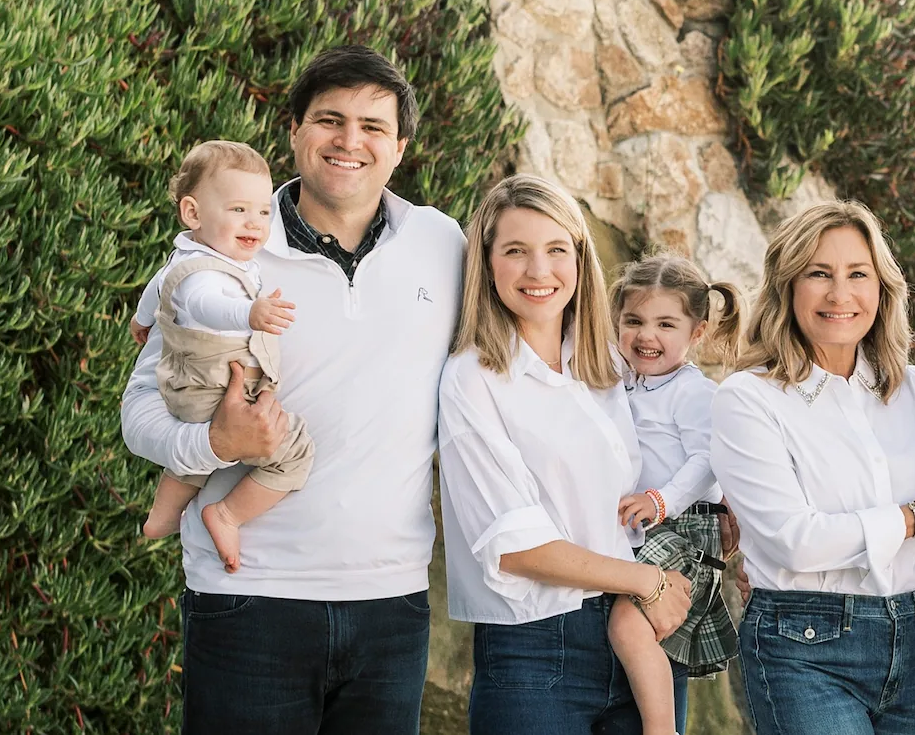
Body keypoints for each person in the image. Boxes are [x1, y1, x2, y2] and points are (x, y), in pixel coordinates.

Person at [120, 45, 464, 733]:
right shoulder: (230, 251)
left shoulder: (443, 245)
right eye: (329, 120)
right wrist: (213, 441)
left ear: (399, 147)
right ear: (295, 134)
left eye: (372, 126)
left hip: (391, 607)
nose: (349, 141)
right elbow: (139, 412)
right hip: (248, 598)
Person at [711, 200, 915, 735]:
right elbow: (793, 541)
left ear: (882, 288)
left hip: (914, 639)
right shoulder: (748, 400)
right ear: (787, 287)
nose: (840, 295)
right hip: (801, 645)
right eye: (818, 274)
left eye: (857, 274)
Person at [437, 174, 693, 735]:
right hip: (535, 648)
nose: (539, 271)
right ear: (487, 261)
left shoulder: (609, 362)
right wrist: (644, 580)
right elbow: (515, 547)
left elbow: (682, 438)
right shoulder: (473, 378)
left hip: (644, 632)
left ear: (580, 259)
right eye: (516, 251)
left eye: (556, 250)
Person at [132, 140, 313, 576]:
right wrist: (249, 312)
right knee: (294, 452)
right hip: (215, 385)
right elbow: (207, 303)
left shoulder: (185, 258)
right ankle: (227, 514)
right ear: (193, 213)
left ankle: (161, 518)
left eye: (263, 212)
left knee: (197, 456)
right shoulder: (206, 274)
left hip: (196, 391)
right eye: (238, 210)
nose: (254, 223)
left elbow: (156, 291)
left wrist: (141, 321)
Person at [608, 252, 749, 733]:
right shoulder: (623, 380)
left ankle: (661, 729)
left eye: (666, 323)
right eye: (633, 320)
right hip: (646, 528)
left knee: (629, 623)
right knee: (638, 628)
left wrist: (660, 500)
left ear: (698, 332)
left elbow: (708, 461)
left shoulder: (694, 391)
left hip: (682, 530)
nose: (647, 335)